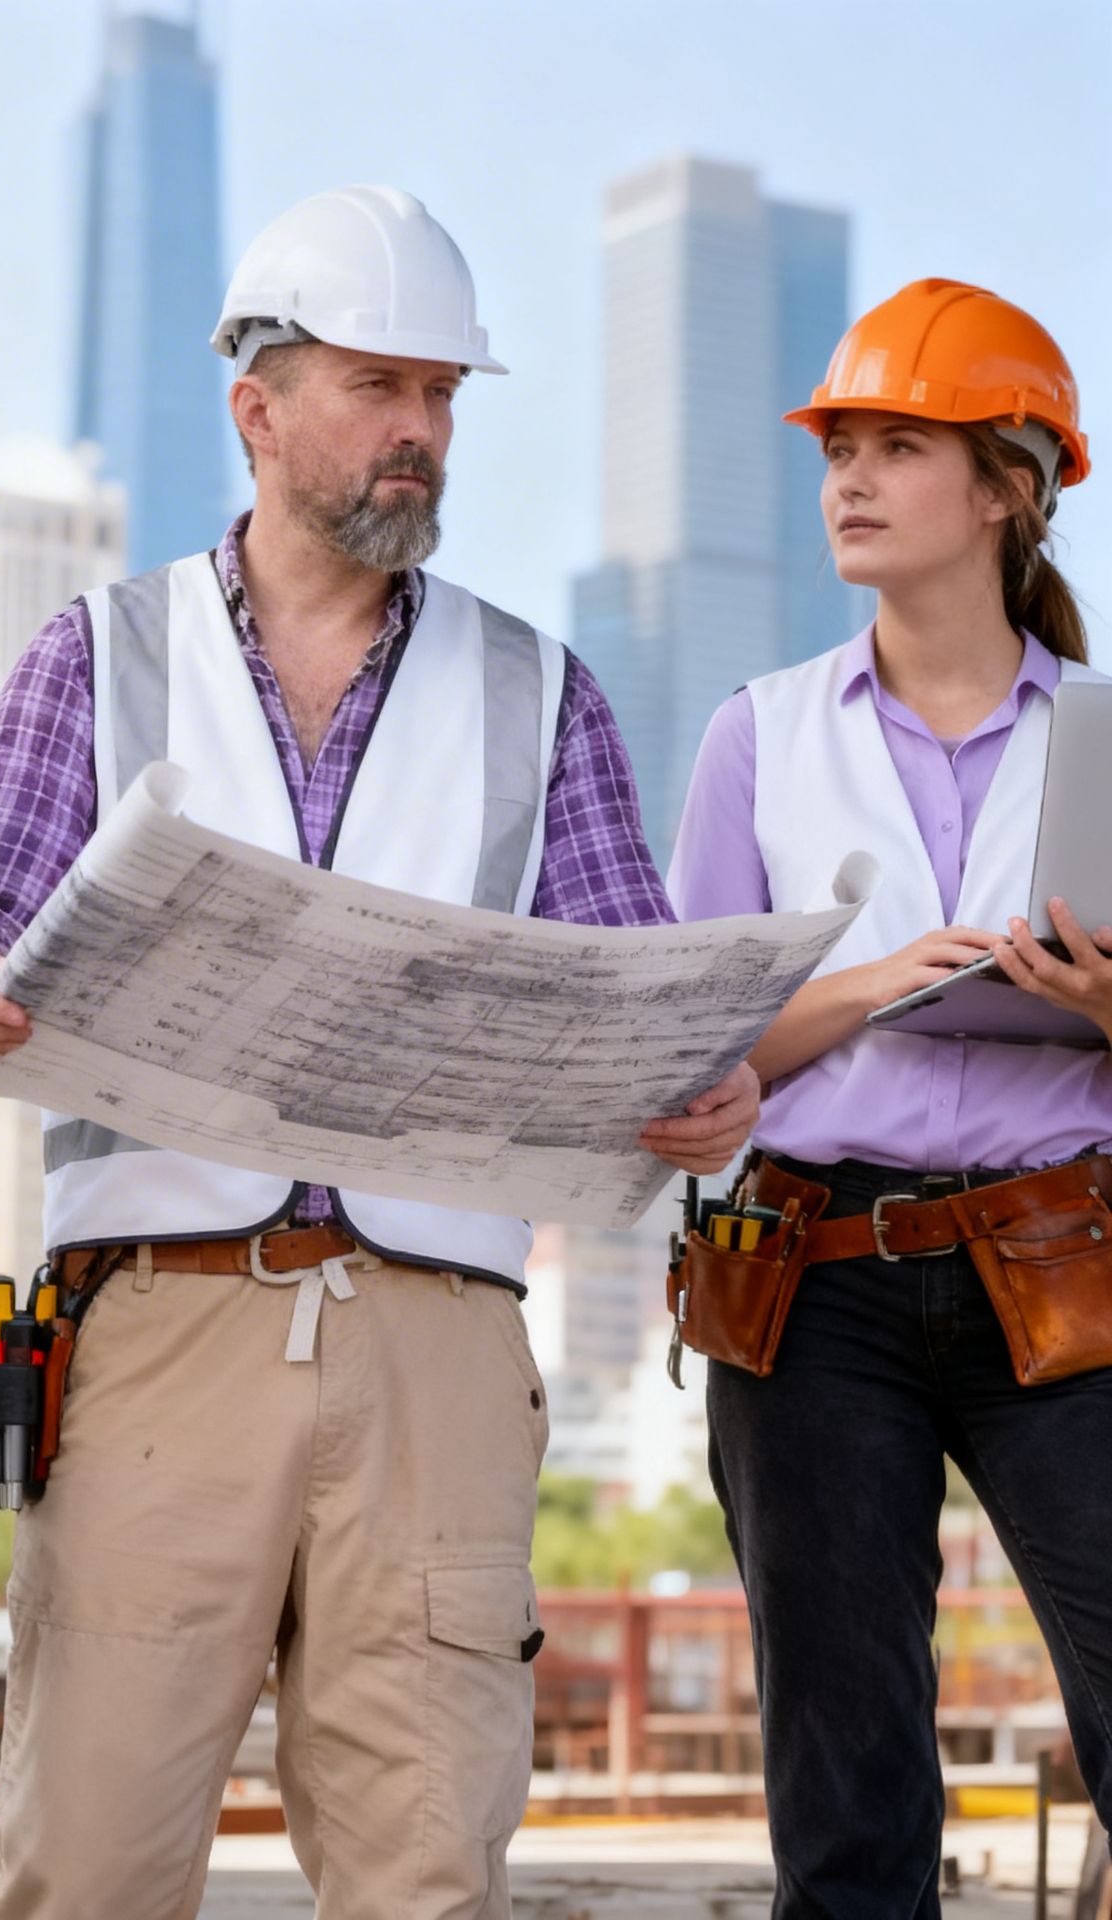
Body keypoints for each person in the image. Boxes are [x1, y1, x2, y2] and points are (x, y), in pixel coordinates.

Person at [0, 184, 758, 1920]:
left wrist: (698, 1084)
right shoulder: (99, 657)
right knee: (88, 1873)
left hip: (438, 1348)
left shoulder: (540, 691)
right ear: (259, 411)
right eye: (377, 387)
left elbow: (630, 988)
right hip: (158, 1334)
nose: (419, 429)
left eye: (441, 392)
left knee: (428, 1874)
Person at [670, 278, 1112, 1914]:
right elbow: (687, 1052)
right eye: (837, 450)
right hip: (812, 1280)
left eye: (897, 447)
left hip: (1069, 1259)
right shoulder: (758, 737)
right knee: (846, 1789)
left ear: (1006, 485)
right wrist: (870, 986)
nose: (849, 479)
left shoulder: (1106, 744)